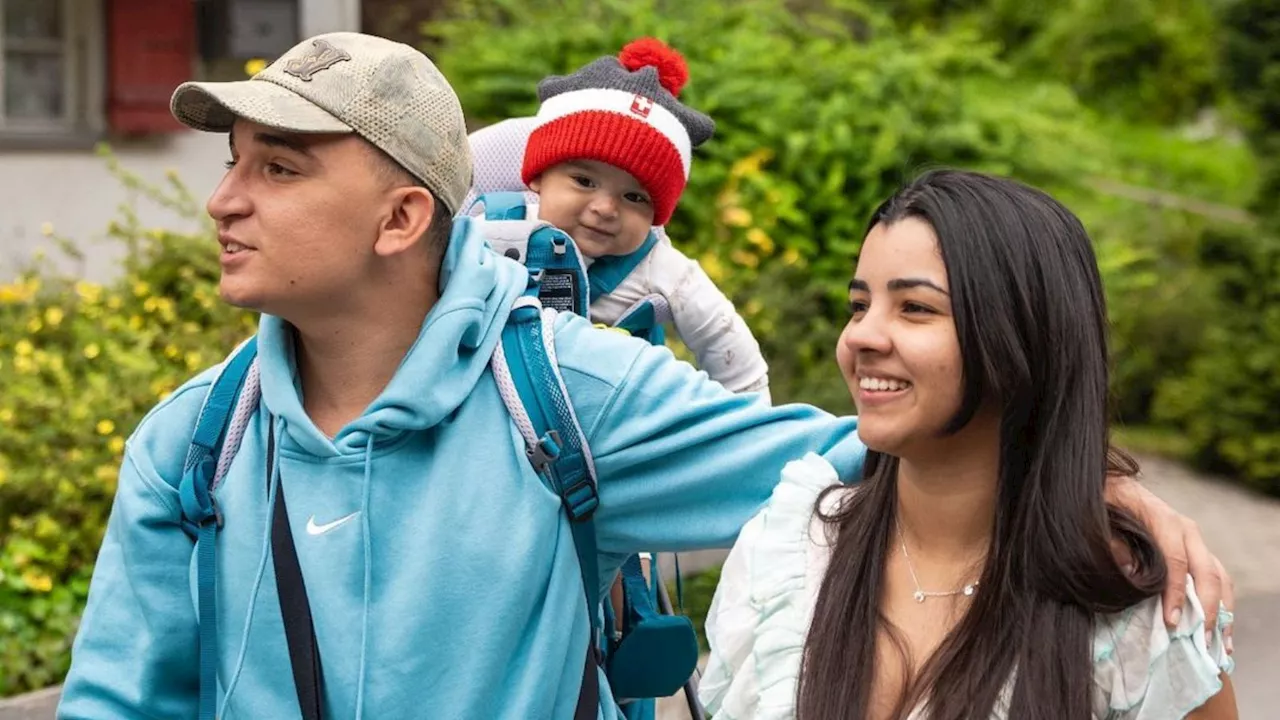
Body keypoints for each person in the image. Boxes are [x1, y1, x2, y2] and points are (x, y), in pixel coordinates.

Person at [57, 32, 1229, 720]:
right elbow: (120, 702)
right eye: (231, 164)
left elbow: (872, 445)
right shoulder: (194, 441)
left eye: (277, 167)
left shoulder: (565, 396)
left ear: (401, 214)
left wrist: (1093, 484)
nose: (224, 200)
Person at [699, 169, 1237, 720]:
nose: (860, 335)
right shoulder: (788, 553)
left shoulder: (1133, 615)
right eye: (859, 306)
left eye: (915, 308)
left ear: (1021, 338)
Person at [472, 37, 772, 400]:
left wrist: (748, 427)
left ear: (655, 214)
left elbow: (731, 352)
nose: (606, 208)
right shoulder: (491, 225)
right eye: (584, 181)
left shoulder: (660, 269)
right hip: (484, 402)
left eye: (634, 197)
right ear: (537, 177)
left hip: (612, 424)